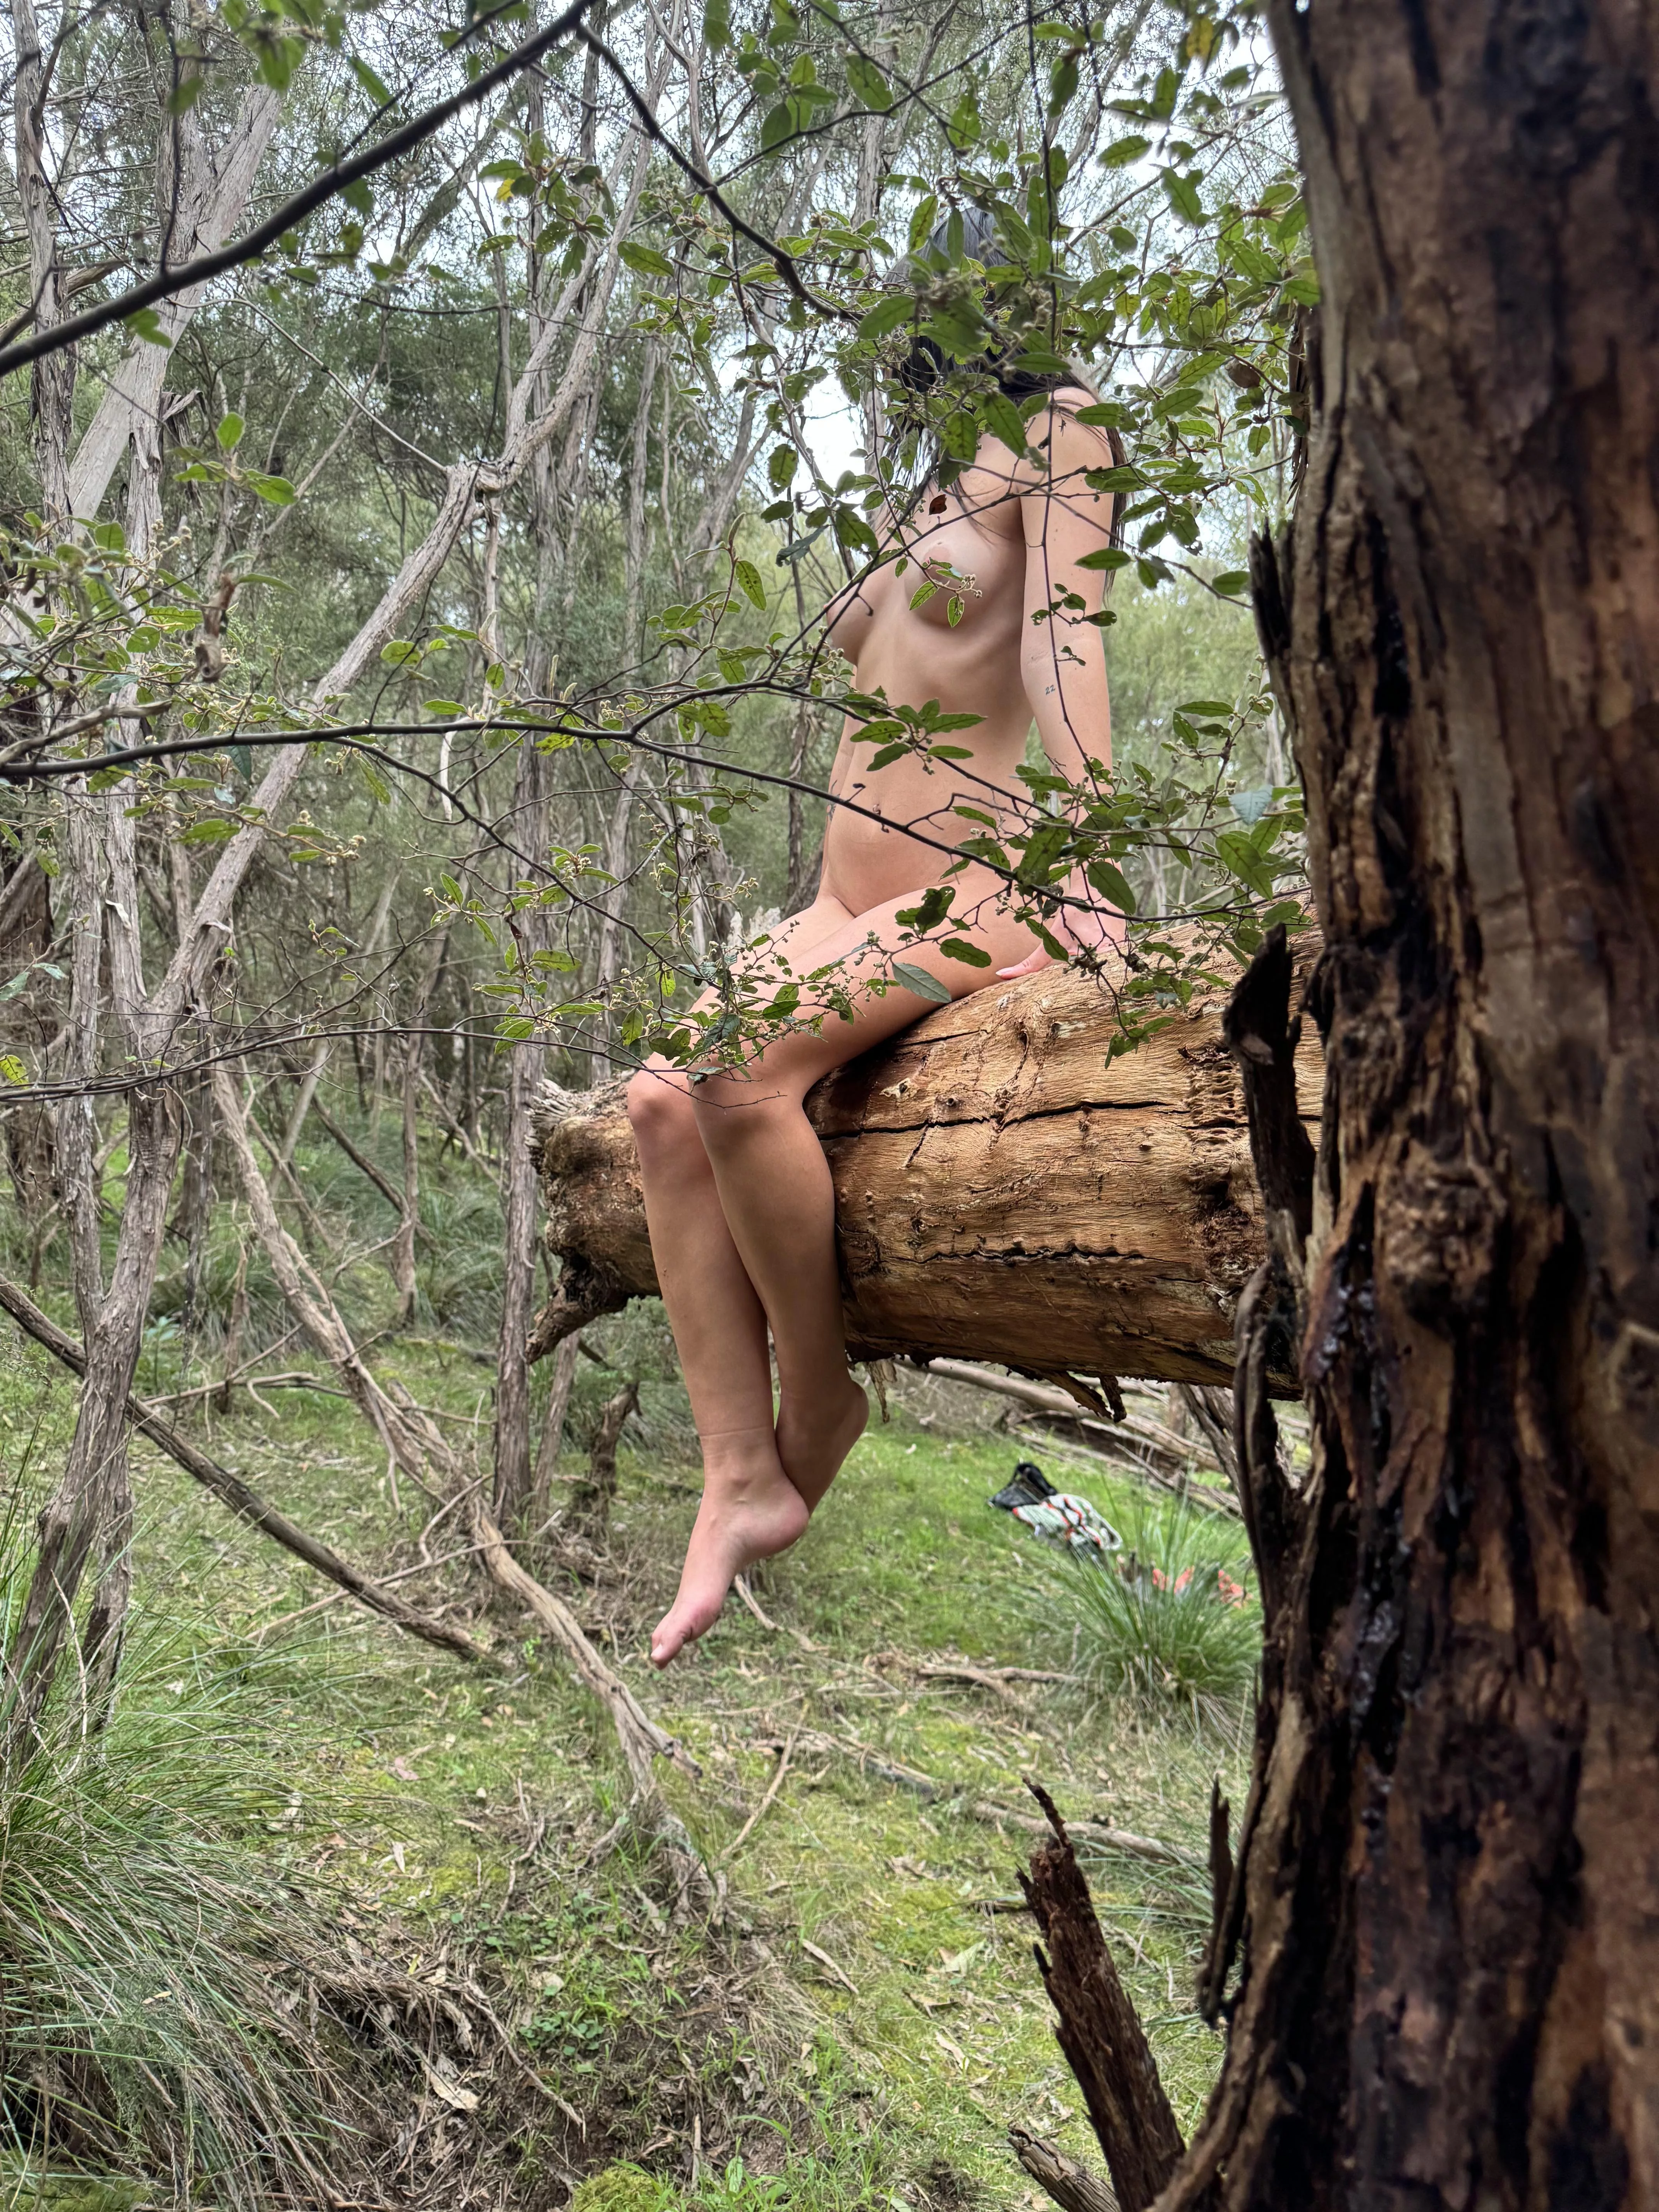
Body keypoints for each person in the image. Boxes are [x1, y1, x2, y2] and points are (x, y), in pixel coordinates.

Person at [627, 301, 1123, 1667]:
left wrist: (1087, 849)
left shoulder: (1060, 431)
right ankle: (741, 1471)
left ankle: (823, 1393)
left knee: (735, 1078)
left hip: (984, 882)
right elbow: (877, 645)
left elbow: (1059, 644)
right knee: (659, 1104)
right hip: (845, 897)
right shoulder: (931, 477)